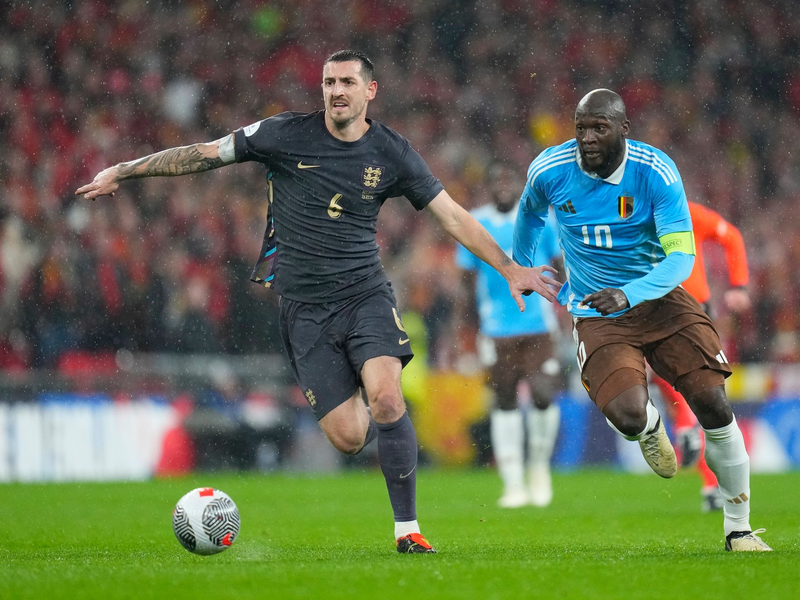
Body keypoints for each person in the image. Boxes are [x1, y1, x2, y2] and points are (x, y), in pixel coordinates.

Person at [76, 50, 561, 554]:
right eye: (329, 82)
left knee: (389, 397)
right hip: (304, 308)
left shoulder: (391, 151)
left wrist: (508, 267)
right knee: (350, 437)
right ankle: (386, 421)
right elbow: (204, 153)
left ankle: (407, 530)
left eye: (348, 82)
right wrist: (126, 170)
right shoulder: (283, 134)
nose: (336, 91)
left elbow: (453, 216)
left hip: (365, 294)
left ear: (369, 91)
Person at [513, 89, 771, 552]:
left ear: (623, 130)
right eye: (580, 128)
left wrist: (630, 291)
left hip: (660, 300)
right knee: (630, 416)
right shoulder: (550, 170)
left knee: (714, 405)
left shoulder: (655, 172)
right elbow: (529, 214)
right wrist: (521, 264)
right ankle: (650, 430)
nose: (587, 138)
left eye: (599, 128)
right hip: (596, 310)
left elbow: (680, 259)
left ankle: (739, 529)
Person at [456, 162, 563, 508]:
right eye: (497, 179)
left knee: (543, 394)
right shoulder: (477, 222)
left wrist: (570, 313)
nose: (503, 185)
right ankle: (513, 482)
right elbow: (466, 284)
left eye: (508, 178)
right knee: (504, 400)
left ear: (519, 186)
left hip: (538, 325)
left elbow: (559, 269)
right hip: (496, 329)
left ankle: (539, 468)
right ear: (488, 187)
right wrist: (467, 332)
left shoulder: (540, 218)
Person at [651, 200, 751, 512]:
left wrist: (740, 284)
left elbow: (730, 236)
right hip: (655, 308)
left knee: (691, 392)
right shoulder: (634, 212)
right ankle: (711, 487)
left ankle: (685, 426)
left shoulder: (689, 212)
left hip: (689, 308)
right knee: (693, 398)